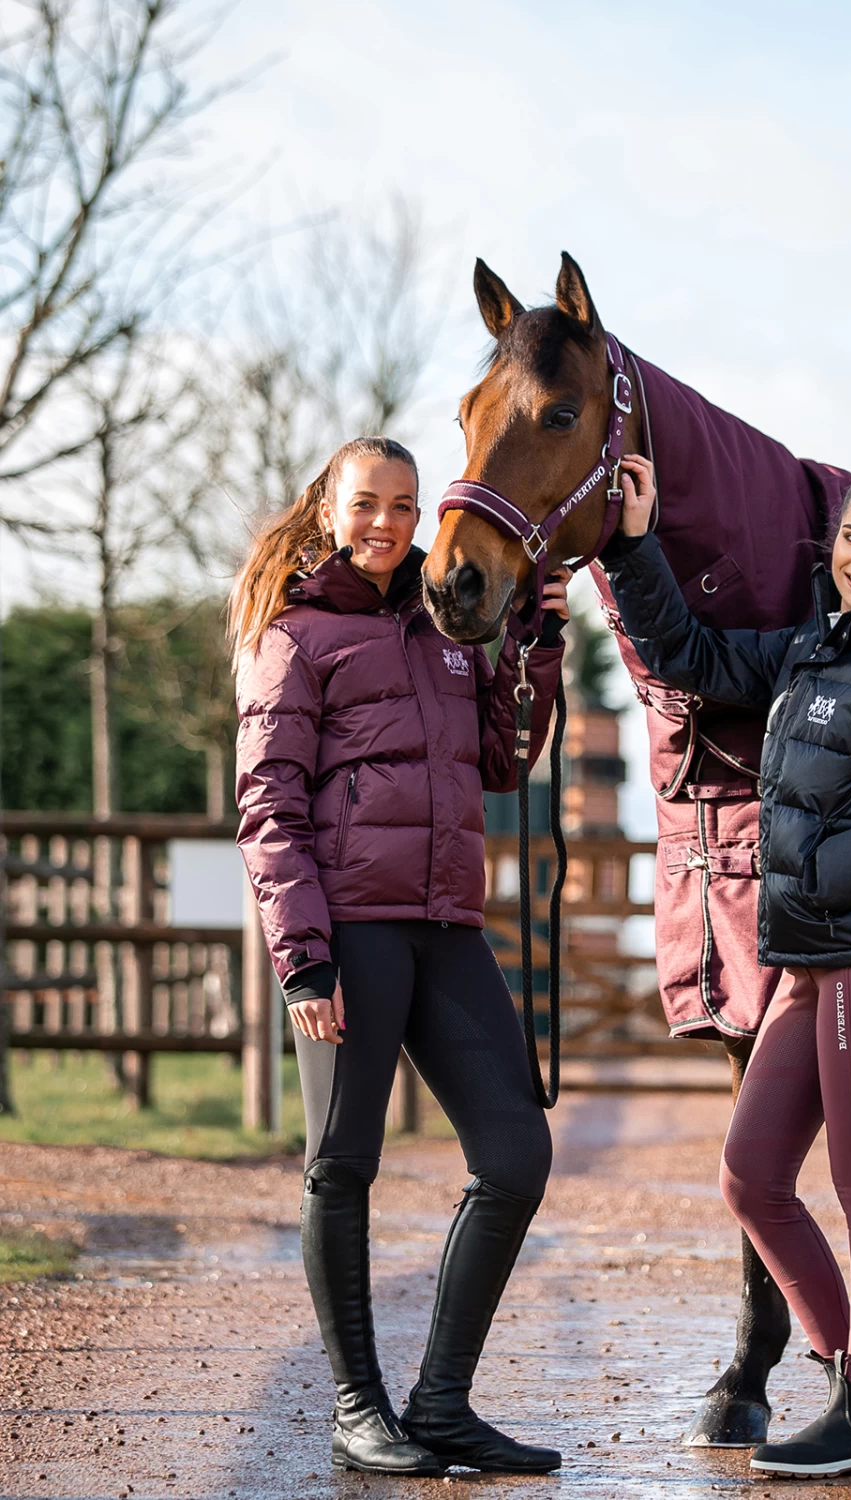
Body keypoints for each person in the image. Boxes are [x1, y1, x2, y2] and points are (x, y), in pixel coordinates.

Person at [598, 451, 851, 1478]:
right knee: (752, 1175)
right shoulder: (816, 648)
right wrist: (634, 547)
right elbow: (687, 653)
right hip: (812, 958)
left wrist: (813, 873)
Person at [230, 436, 568, 1476]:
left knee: (516, 1155)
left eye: (404, 505)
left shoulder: (447, 625)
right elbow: (269, 806)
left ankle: (443, 1403)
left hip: (448, 927)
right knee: (343, 1163)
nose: (386, 523)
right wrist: (304, 958)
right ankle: (356, 1407)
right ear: (330, 511)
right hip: (351, 931)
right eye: (367, 503)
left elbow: (503, 762)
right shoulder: (295, 635)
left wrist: (535, 648)